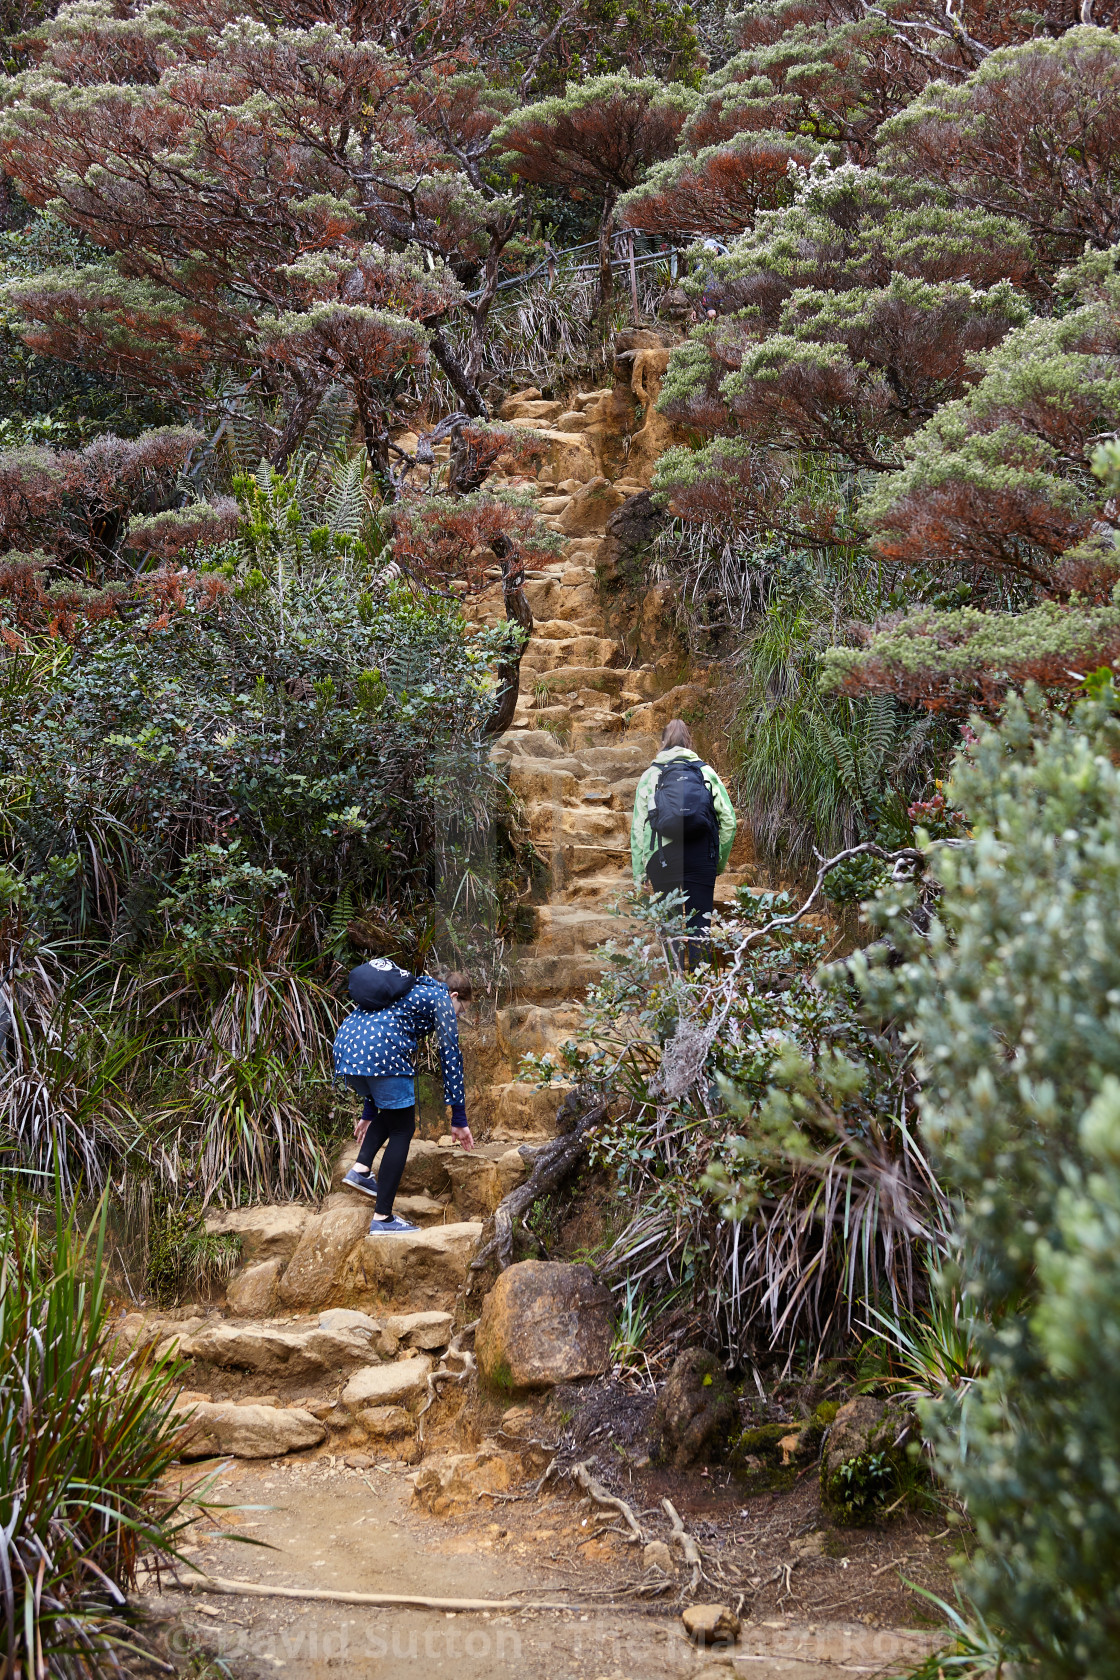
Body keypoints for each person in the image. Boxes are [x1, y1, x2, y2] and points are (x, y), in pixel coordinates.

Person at [333, 962, 474, 1233]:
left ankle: (361, 1169)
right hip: (379, 1052)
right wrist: (458, 1116)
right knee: (403, 1127)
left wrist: (368, 1114)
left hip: (346, 1048)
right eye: (461, 1011)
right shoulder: (440, 999)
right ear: (454, 997)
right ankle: (383, 1218)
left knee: (394, 1114)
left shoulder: (409, 991)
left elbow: (375, 1040)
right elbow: (450, 1057)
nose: (457, 1017)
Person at [630, 719, 737, 956]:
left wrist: (640, 870)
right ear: (689, 741)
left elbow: (638, 827)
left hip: (662, 856)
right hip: (701, 856)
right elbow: (729, 820)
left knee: (669, 929)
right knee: (700, 930)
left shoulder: (651, 775)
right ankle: (702, 990)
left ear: (662, 743)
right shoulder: (705, 772)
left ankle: (674, 986)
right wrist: (717, 861)